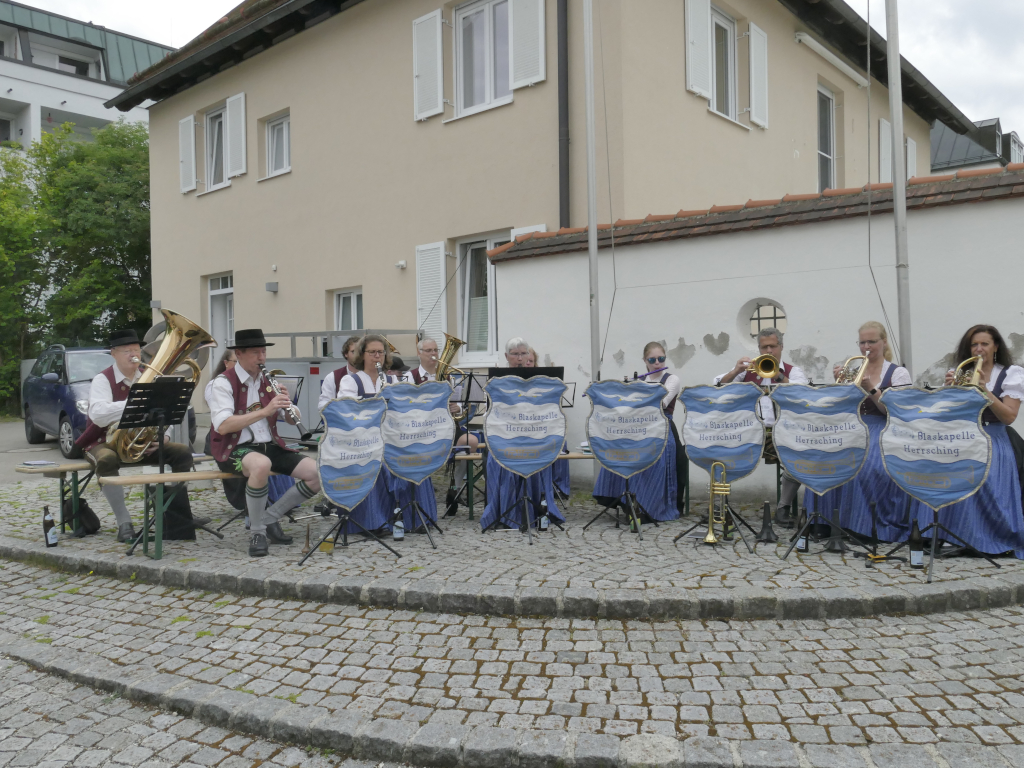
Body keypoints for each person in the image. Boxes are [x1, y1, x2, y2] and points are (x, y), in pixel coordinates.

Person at [207, 328, 321, 557]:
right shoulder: (222, 383)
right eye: (255, 353)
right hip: (234, 448)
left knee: (317, 473)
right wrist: (266, 410)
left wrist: (288, 406)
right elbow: (224, 426)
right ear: (239, 354)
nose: (261, 358)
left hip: (269, 445)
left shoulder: (268, 381)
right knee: (261, 465)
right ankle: (257, 532)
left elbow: (290, 419)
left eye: (263, 352)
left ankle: (269, 517)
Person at [912, 325, 1024, 558]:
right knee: (933, 467)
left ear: (995, 347)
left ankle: (981, 537)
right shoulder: (961, 372)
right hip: (962, 436)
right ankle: (941, 533)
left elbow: (1009, 417)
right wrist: (949, 391)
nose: (979, 349)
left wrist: (985, 390)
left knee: (976, 471)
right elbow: (946, 415)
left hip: (993, 438)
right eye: (974, 344)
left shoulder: (1010, 374)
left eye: (984, 344)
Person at [80, 329, 197, 543]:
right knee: (106, 460)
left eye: (136, 350)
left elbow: (164, 412)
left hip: (139, 443)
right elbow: (98, 415)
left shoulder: (147, 376)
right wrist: (134, 403)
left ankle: (177, 514)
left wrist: (164, 436)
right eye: (127, 351)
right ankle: (124, 522)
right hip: (103, 441)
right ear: (113, 353)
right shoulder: (102, 379)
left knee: (182, 452)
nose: (134, 355)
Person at [814, 322, 913, 541]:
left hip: (884, 427)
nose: (866, 347)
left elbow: (895, 412)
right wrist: (840, 385)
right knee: (823, 457)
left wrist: (872, 390)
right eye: (862, 342)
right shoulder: (854, 370)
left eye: (872, 342)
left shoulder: (898, 373)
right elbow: (841, 408)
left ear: (884, 342)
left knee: (866, 465)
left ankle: (862, 525)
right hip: (853, 426)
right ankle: (825, 520)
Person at [333, 335, 438, 537]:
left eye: (380, 352)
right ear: (362, 355)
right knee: (374, 461)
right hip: (363, 440)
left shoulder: (392, 380)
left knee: (416, 457)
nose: (377, 356)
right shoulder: (351, 380)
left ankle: (414, 518)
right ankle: (374, 521)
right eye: (372, 352)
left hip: (390, 437)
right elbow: (346, 412)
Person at [715, 327, 807, 527]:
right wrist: (736, 371)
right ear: (759, 348)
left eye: (772, 346)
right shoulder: (748, 371)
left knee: (799, 457)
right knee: (721, 454)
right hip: (750, 432)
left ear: (781, 346)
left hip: (781, 433)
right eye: (764, 347)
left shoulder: (792, 371)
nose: (769, 351)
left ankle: (783, 508)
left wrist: (778, 376)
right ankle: (721, 506)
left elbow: (801, 393)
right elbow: (718, 386)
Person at [480, 337, 567, 532]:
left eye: (523, 354)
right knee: (499, 460)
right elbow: (490, 415)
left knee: (539, 454)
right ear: (506, 356)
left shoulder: (538, 381)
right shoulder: (497, 381)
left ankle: (536, 510)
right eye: (515, 354)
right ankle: (505, 512)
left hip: (532, 437)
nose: (519, 358)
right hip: (506, 437)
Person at [593, 342, 681, 524]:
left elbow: (661, 403)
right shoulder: (640, 381)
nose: (657, 363)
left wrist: (635, 393)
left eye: (661, 359)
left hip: (661, 429)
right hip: (638, 427)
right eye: (652, 360)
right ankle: (623, 499)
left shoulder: (672, 380)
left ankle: (646, 506)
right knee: (616, 448)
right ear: (645, 361)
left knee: (651, 459)